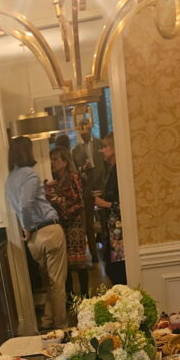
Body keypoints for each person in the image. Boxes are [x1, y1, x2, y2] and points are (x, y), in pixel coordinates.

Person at [5, 136, 67, 330]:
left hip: (34, 241)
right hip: (48, 230)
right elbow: (25, 205)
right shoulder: (29, 174)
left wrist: (27, 227)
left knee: (49, 283)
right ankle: (62, 329)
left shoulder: (10, 179)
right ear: (27, 151)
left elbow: (20, 205)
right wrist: (28, 226)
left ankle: (47, 322)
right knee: (58, 283)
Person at [45, 146, 88, 300]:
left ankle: (85, 296)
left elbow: (79, 202)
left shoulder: (73, 177)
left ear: (64, 162)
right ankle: (71, 299)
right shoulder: (55, 182)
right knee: (66, 264)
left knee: (80, 263)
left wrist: (57, 200)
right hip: (62, 225)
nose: (52, 162)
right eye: (51, 159)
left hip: (74, 225)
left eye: (55, 159)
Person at [94, 132, 127, 286]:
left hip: (121, 236)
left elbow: (126, 205)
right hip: (113, 233)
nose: (102, 150)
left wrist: (104, 203)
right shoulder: (112, 171)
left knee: (116, 272)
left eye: (106, 146)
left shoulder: (121, 172)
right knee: (111, 269)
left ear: (115, 148)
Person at [72, 125, 106, 263]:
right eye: (80, 132)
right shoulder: (75, 150)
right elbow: (75, 170)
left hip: (102, 185)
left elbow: (106, 163)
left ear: (90, 129)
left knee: (104, 220)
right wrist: (82, 170)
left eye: (85, 132)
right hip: (86, 189)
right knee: (89, 224)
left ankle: (107, 248)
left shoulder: (100, 143)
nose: (83, 134)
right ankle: (94, 254)